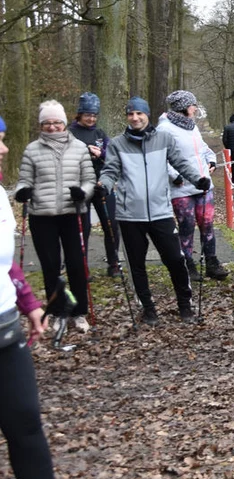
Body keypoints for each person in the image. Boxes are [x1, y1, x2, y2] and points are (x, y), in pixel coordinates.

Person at [0, 116, 114, 479]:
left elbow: (6, 261)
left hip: (6, 326)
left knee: (27, 424)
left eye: (5, 140)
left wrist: (28, 301)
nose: (5, 149)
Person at [98, 97, 210, 324]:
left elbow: (180, 162)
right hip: (129, 215)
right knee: (137, 265)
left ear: (147, 115)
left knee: (175, 260)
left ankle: (185, 305)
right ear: (127, 117)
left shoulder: (164, 138)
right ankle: (148, 309)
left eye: (139, 113)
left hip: (160, 212)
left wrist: (198, 179)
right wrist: (104, 186)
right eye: (131, 114)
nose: (135, 118)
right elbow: (110, 171)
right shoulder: (118, 144)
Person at [14, 101, 96, 334]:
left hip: (74, 214)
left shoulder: (79, 147)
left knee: (77, 264)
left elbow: (89, 179)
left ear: (64, 123)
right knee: (50, 267)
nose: (52, 127)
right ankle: (59, 311)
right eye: (47, 123)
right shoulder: (32, 150)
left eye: (56, 122)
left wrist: (84, 192)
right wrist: (23, 192)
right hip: (43, 216)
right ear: (41, 125)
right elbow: (24, 180)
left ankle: (79, 312)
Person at [157, 90, 229, 282]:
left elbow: (203, 148)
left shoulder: (192, 126)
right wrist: (174, 176)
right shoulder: (164, 129)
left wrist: (211, 160)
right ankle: (187, 265)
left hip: (204, 184)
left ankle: (211, 262)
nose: (195, 109)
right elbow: (161, 156)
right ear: (185, 108)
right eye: (193, 105)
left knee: (207, 224)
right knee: (187, 226)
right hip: (182, 188)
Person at [66, 92, 120, 277]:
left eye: (94, 115)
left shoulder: (99, 133)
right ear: (80, 114)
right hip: (80, 186)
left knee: (111, 224)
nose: (91, 118)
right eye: (88, 114)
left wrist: (101, 154)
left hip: (101, 184)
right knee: (83, 227)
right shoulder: (69, 133)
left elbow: (112, 157)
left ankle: (113, 264)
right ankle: (82, 266)